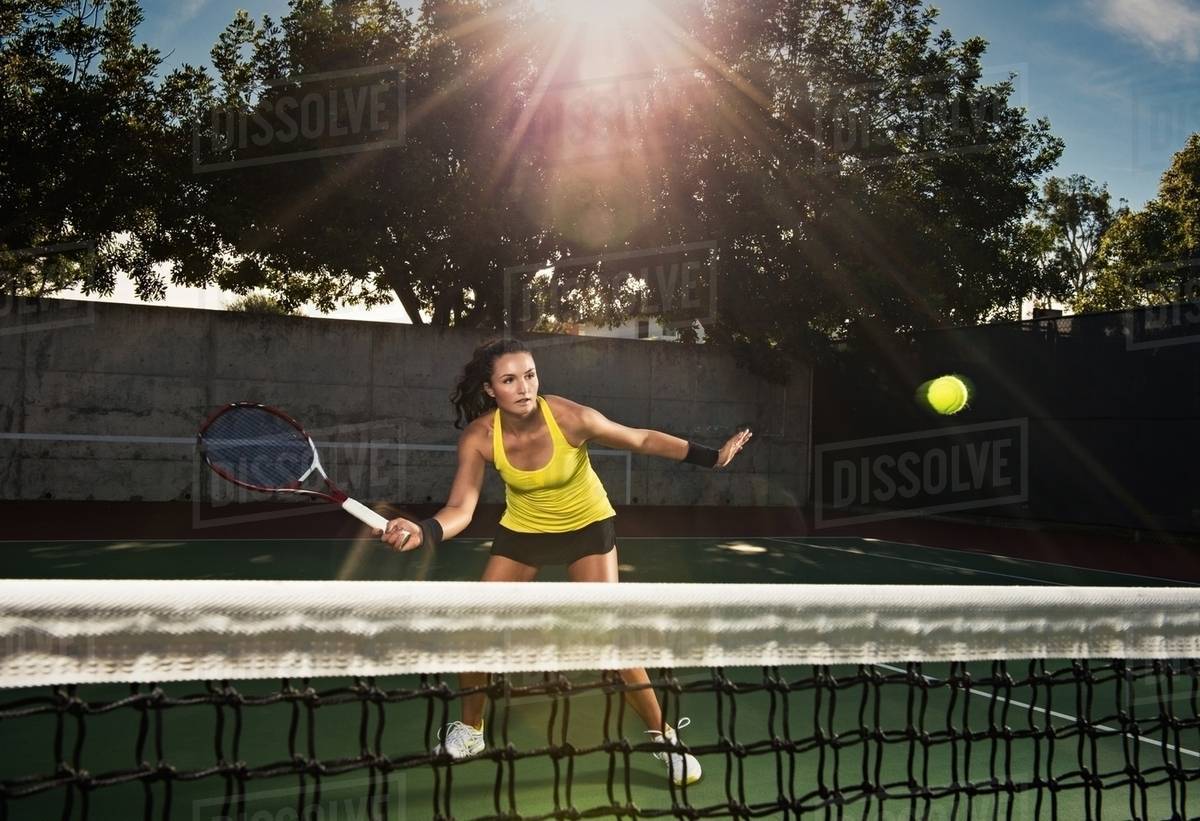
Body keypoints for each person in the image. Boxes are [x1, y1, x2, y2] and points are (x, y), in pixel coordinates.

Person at [378, 337, 752, 786]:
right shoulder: (480, 437)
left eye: (530, 375)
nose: (524, 387)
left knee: (609, 637)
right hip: (525, 532)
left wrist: (714, 458)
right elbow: (460, 508)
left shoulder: (569, 417)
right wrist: (424, 530)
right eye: (509, 379)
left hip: (587, 527)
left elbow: (641, 439)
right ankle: (472, 729)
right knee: (475, 625)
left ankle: (662, 736)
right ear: (490, 388)